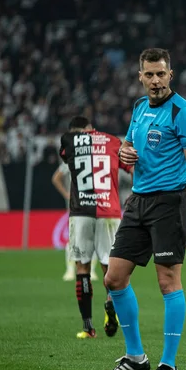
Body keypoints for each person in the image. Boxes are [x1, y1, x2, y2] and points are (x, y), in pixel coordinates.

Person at [99, 48, 186, 370]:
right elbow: (128, 149)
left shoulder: (183, 112)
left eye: (161, 74)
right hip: (138, 201)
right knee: (113, 279)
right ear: (140, 77)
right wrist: (125, 152)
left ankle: (169, 365)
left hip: (170, 203)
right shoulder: (138, 107)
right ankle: (135, 357)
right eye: (149, 74)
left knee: (167, 282)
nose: (155, 80)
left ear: (170, 75)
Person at [58, 116, 133, 339]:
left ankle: (88, 327)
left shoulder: (69, 141)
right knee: (110, 270)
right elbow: (132, 168)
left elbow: (65, 158)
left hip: (81, 212)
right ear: (92, 128)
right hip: (109, 211)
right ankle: (111, 304)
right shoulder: (113, 141)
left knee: (82, 268)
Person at [52, 162, 99, 282]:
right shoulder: (72, 157)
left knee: (92, 237)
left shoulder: (92, 154)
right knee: (74, 238)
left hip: (92, 203)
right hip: (78, 205)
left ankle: (90, 271)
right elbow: (56, 178)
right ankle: (71, 270)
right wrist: (66, 195)